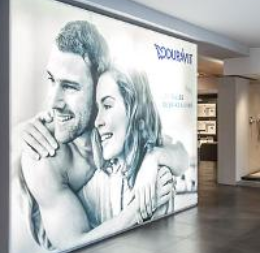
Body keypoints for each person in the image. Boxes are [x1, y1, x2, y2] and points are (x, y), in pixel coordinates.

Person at [15, 20, 184, 251]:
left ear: (99, 85)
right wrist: (139, 208)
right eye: (51, 80)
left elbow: (177, 151)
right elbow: (73, 247)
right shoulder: (44, 156)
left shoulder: (114, 129)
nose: (53, 103)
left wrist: (155, 157)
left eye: (70, 86)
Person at [78, 66, 187, 227]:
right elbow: (74, 238)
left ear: (135, 111)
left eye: (107, 106)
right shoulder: (99, 182)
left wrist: (154, 157)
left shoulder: (157, 176)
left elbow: (180, 152)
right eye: (98, 109)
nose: (97, 122)